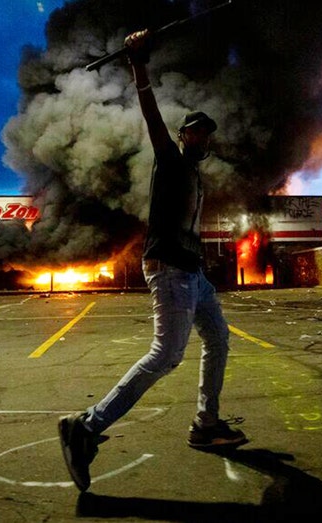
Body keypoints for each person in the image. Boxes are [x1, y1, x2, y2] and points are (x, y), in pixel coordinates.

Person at [57, 28, 246, 492]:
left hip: (193, 274)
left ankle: (206, 423)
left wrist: (203, 265)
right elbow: (150, 113)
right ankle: (86, 427)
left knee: (218, 338)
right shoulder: (170, 159)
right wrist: (138, 64)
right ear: (184, 137)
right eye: (195, 131)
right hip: (169, 269)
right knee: (166, 356)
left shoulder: (197, 178)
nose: (202, 137)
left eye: (207, 133)